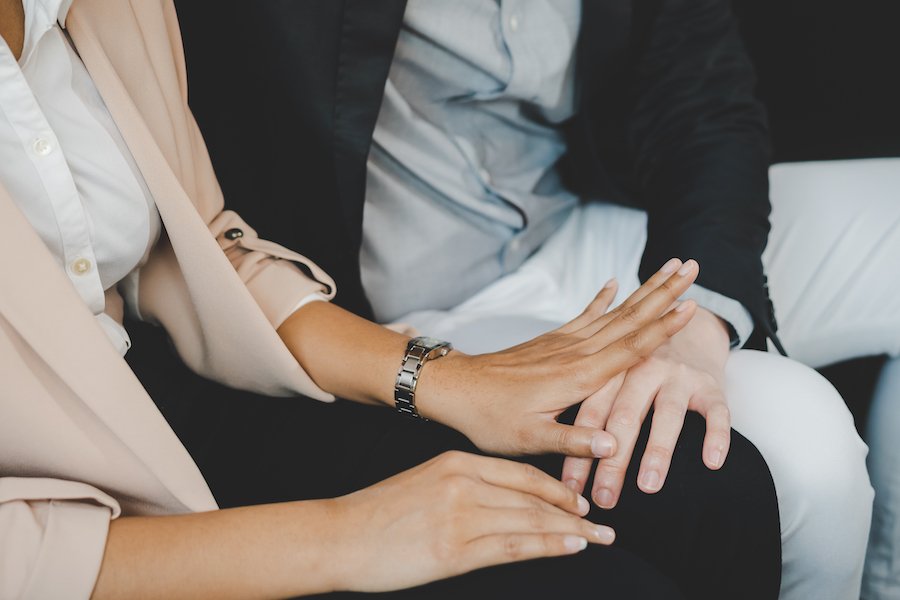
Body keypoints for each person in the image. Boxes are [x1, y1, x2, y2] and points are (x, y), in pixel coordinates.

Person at [0, 0, 783, 598]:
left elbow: (197, 247)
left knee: (707, 493)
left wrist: (446, 379)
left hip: (175, 396)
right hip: (63, 518)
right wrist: (344, 533)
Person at [177, 1, 881, 598]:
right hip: (422, 306)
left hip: (575, 222)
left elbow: (700, 97)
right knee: (801, 438)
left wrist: (694, 317)